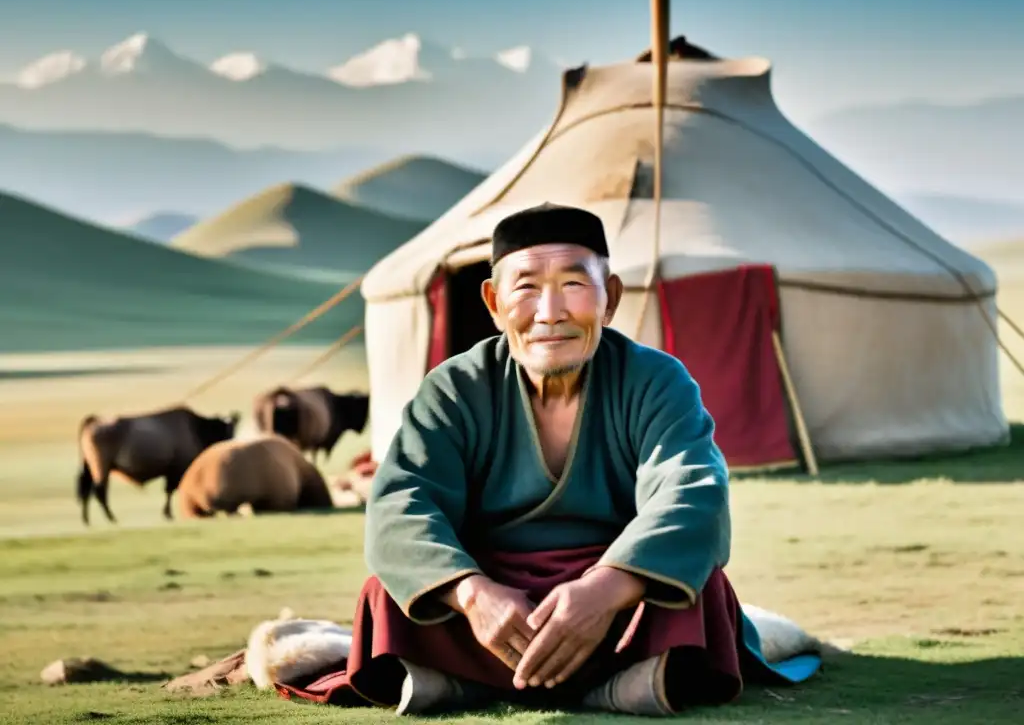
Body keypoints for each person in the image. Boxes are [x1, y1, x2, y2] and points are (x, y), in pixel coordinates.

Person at [273, 202, 821, 715]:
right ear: (492, 302)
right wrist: (472, 593)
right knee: (389, 594)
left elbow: (694, 494)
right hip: (489, 591)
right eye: (527, 287)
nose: (550, 312)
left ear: (611, 295)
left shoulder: (657, 382)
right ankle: (620, 685)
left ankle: (470, 683)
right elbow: (400, 505)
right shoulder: (454, 390)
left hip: (618, 592)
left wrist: (606, 588)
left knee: (695, 589)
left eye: (574, 285)